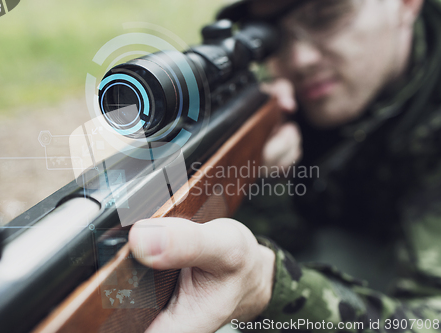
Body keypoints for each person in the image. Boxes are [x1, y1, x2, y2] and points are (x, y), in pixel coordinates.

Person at [128, 0, 441, 331]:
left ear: (406, 4)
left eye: (327, 16)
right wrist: (260, 179)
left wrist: (269, 289)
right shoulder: (279, 97)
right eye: (275, 34)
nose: (299, 59)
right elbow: (288, 236)